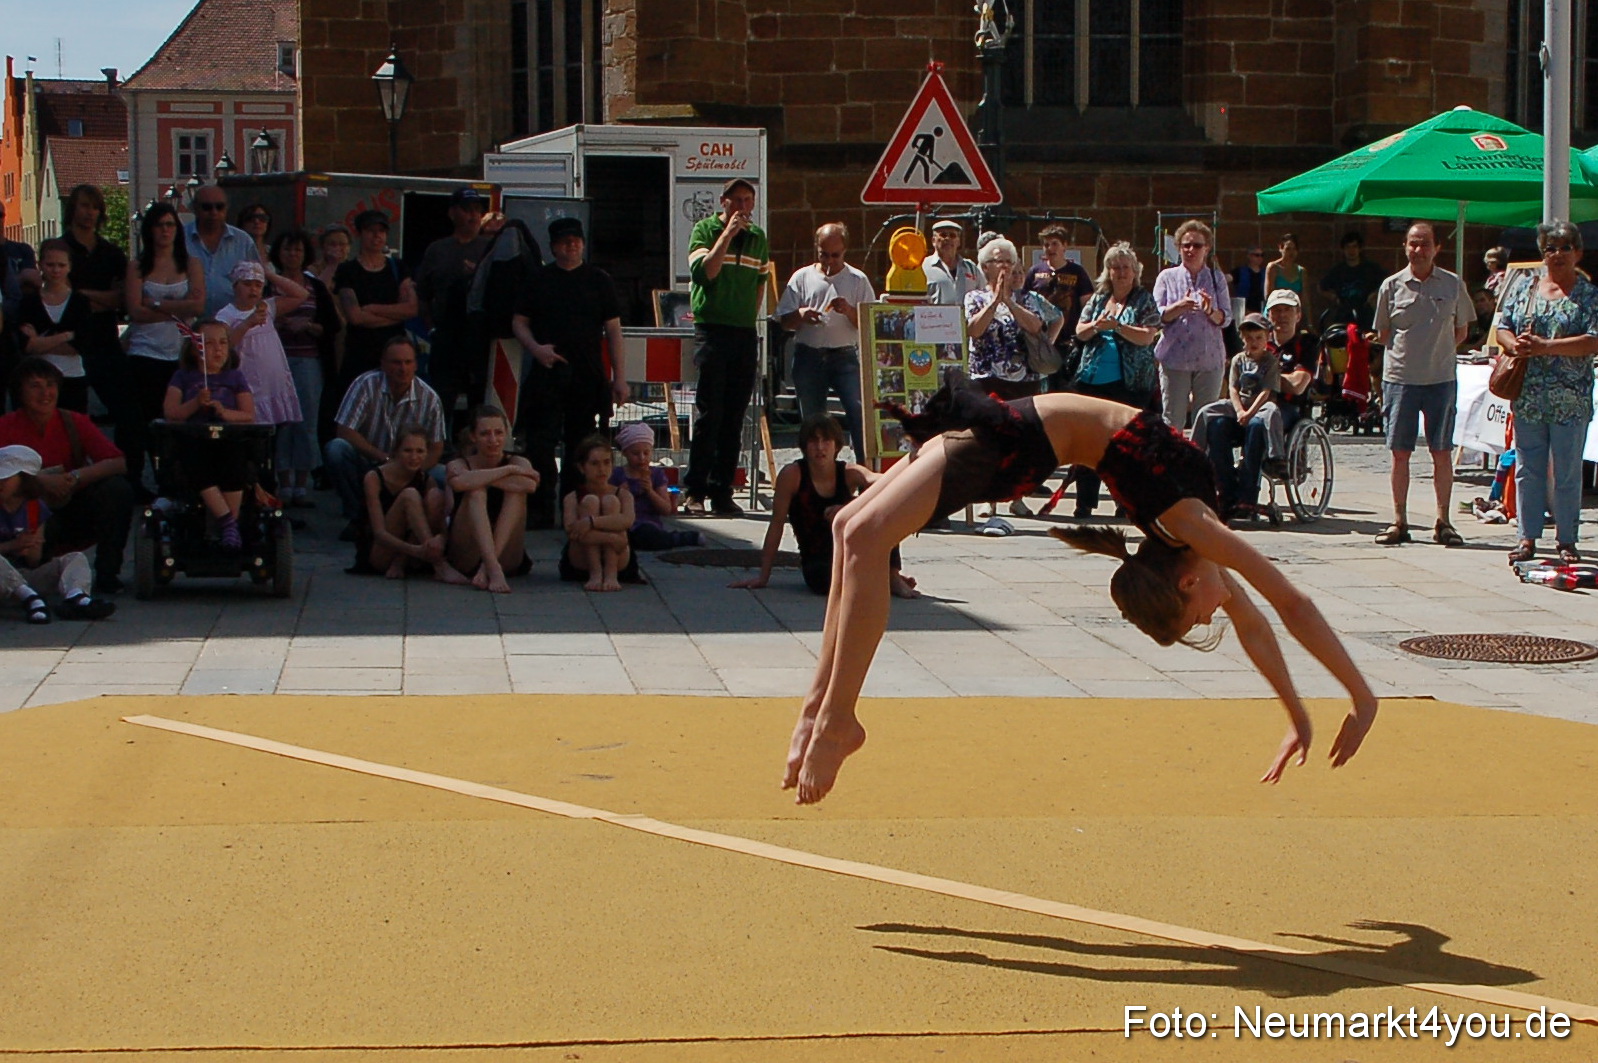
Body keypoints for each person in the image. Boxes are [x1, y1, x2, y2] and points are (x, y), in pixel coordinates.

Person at [781, 373, 1379, 804]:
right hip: (1023, 435)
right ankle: (829, 715)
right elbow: (1288, 604)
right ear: (1190, 582)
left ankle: (827, 715)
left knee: (859, 535)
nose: (1215, 614)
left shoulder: (1188, 541)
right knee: (849, 529)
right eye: (1201, 618)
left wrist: (1297, 714)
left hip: (1026, 435)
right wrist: (1361, 698)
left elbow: (1256, 625)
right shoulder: (1194, 528)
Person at [1493, 221, 1598, 564]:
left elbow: (1592, 341)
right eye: (1550, 248)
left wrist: (1545, 346)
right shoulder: (1526, 288)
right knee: (1528, 468)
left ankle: (1566, 539)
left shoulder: (1588, 295)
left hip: (1571, 398)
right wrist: (1517, 346)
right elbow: (1503, 328)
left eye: (1564, 248)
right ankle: (1526, 536)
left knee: (1567, 470)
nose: (1556, 255)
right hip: (1530, 396)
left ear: (1577, 253)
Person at [511, 216, 626, 527]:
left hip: (587, 375)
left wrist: (620, 378)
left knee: (581, 445)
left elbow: (613, 331)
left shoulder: (599, 280)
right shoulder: (538, 279)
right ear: (553, 247)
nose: (571, 245)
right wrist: (536, 349)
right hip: (547, 373)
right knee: (540, 444)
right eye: (564, 241)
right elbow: (519, 322)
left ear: (583, 244)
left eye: (576, 240)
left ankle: (575, 508)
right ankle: (540, 509)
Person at [730, 413, 914, 597]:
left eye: (826, 441)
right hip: (819, 562)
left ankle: (890, 575)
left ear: (836, 446)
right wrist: (763, 577)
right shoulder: (792, 475)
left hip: (852, 551)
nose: (820, 448)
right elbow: (776, 525)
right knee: (828, 582)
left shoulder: (849, 472)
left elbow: (885, 482)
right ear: (804, 446)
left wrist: (851, 507)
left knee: (883, 508)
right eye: (813, 441)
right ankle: (878, 577)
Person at [1371, 221, 1474, 547]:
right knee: (1400, 453)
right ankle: (1399, 520)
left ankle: (1443, 520)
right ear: (1405, 247)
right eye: (1413, 244)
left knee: (1441, 452)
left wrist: (1437, 353)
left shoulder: (1453, 285)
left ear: (1436, 248)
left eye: (1424, 244)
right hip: (1400, 379)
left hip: (1440, 379)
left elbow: (1461, 331)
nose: (1418, 250)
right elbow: (1383, 334)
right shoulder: (1391, 286)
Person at [0, 357, 133, 592]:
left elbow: (118, 462)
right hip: (27, 513)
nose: (45, 393)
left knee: (117, 489)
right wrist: (41, 482)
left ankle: (107, 573)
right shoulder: (5, 426)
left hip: (70, 503)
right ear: (19, 392)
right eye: (35, 386)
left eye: (50, 385)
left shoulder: (73, 421)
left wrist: (75, 477)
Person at [683, 177, 771, 517]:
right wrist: (728, 234)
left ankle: (723, 491)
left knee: (735, 416)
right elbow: (707, 272)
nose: (743, 208)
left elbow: (760, 283)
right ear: (724, 202)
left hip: (742, 332)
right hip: (713, 330)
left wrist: (748, 316)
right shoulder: (705, 231)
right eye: (736, 201)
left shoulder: (758, 238)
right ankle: (695, 490)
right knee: (710, 413)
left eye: (748, 201)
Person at [1065, 241, 1161, 518]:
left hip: (1129, 386)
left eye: (1125, 268)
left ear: (1135, 271)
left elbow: (1147, 336)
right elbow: (1079, 332)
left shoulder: (1144, 299)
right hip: (1092, 381)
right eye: (1115, 267)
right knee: (1087, 443)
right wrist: (1096, 326)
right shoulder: (1098, 298)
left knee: (1125, 446)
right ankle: (1084, 501)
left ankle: (1125, 501)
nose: (1120, 273)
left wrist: (1118, 326)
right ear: (1107, 271)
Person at [123, 203, 207, 488]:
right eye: (159, 225)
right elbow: (135, 312)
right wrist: (178, 309)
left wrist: (157, 304)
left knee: (180, 421)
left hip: (180, 353)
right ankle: (150, 479)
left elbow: (198, 305)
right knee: (149, 421)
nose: (165, 230)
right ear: (150, 229)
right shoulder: (137, 266)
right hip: (145, 352)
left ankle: (178, 480)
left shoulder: (191, 264)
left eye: (170, 224)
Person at [776, 222, 875, 459]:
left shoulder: (857, 279)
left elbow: (871, 324)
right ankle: (814, 475)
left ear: (845, 252)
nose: (829, 261)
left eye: (835, 255)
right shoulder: (801, 277)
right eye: (823, 254)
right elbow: (783, 321)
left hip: (845, 356)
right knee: (812, 421)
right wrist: (800, 315)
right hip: (808, 355)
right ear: (816, 249)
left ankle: (864, 472)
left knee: (860, 414)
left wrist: (850, 311)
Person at [161, 319, 256, 550]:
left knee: (236, 460)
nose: (218, 349)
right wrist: (195, 403)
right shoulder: (183, 377)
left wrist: (224, 412)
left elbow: (248, 414)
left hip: (228, 440)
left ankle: (230, 525)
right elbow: (170, 412)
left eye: (223, 343)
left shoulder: (235, 378)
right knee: (194, 460)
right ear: (195, 349)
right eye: (209, 344)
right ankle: (227, 523)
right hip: (194, 440)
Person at [61, 184, 136, 465]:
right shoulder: (62, 249)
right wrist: (96, 298)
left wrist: (83, 295)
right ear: (73, 209)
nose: (89, 212)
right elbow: (64, 299)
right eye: (84, 205)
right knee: (72, 417)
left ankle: (127, 470)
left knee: (127, 410)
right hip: (72, 342)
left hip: (105, 340)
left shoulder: (111, 253)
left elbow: (121, 300)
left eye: (94, 207)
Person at [0, 444, 116, 623]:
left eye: (5, 479)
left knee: (75, 558)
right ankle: (30, 599)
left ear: (23, 480)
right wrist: (11, 546)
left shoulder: (34, 507)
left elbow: (34, 561)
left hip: (22, 575)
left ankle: (76, 597)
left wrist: (29, 547)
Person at [1191, 314, 1286, 522]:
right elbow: (1233, 389)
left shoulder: (1270, 362)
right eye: (1249, 338)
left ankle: (1253, 487)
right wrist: (1240, 411)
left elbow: (1266, 392)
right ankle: (1221, 485)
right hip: (1239, 407)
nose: (1253, 342)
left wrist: (1249, 413)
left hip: (1259, 408)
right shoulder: (1237, 360)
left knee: (1261, 421)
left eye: (1258, 338)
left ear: (1267, 338)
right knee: (1212, 419)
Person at [215, 261, 306, 479]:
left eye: (258, 285)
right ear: (236, 286)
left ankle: (269, 488)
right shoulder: (226, 315)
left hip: (272, 386)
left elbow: (300, 294)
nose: (253, 289)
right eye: (247, 284)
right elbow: (225, 346)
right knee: (249, 445)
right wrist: (247, 324)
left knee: (270, 446)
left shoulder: (268, 307)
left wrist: (269, 275)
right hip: (250, 388)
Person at [270, 229, 341, 506]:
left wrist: (309, 326)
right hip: (277, 362)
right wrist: (278, 324)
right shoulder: (269, 285)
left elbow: (332, 325)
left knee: (305, 422)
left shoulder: (315, 286)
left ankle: (302, 483)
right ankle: (282, 482)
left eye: (298, 250)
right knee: (281, 423)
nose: (292, 255)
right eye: (288, 249)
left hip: (309, 361)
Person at [415, 187, 491, 433]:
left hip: (479, 341)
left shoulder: (490, 249)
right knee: (440, 403)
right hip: (446, 340)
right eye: (467, 210)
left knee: (479, 405)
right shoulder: (437, 250)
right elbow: (423, 295)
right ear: (453, 213)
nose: (473, 216)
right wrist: (432, 328)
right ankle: (440, 451)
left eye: (478, 211)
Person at [355, 427, 467, 583]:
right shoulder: (374, 478)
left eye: (420, 451)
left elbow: (440, 523)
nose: (414, 457)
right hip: (380, 550)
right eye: (407, 451)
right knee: (410, 495)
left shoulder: (426, 479)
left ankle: (403, 562)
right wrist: (417, 551)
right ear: (396, 451)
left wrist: (440, 538)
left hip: (410, 555)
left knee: (435, 496)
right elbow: (379, 533)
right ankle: (439, 564)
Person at [446, 405, 537, 593]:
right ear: (473, 436)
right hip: (467, 552)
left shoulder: (519, 461)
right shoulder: (459, 463)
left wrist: (478, 477)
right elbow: (460, 484)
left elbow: (529, 485)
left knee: (515, 493)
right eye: (485, 434)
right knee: (476, 492)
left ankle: (489, 566)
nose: (493, 440)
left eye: (498, 433)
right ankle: (492, 568)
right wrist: (508, 471)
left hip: (507, 554)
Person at [1154, 220, 1231, 428]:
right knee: (1172, 420)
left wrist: (1209, 311)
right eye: (1185, 245)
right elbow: (1155, 316)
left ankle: (1200, 460)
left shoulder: (1217, 278)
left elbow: (1226, 318)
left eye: (1197, 245)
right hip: (1175, 359)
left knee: (1206, 420)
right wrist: (1179, 307)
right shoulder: (1166, 277)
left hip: (1209, 360)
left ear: (1206, 249)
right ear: (1178, 248)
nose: (1190, 250)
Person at [334, 209, 417, 396]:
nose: (376, 236)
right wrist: (396, 314)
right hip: (359, 355)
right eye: (371, 230)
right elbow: (355, 317)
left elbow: (411, 308)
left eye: (381, 231)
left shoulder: (398, 267)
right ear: (360, 233)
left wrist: (373, 309)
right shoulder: (347, 270)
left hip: (394, 355)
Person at [965, 236, 1058, 402]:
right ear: (986, 267)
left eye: (1010, 262)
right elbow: (974, 330)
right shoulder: (975, 298)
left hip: (1024, 381)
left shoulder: (1026, 298)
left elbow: (1035, 327)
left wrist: (1009, 301)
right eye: (999, 261)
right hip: (986, 379)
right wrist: (995, 301)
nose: (1005, 266)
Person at [18, 240, 94, 413]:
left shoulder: (80, 302)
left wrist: (40, 340)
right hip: (38, 381)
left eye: (61, 265)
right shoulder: (29, 302)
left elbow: (81, 345)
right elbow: (28, 346)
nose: (56, 270)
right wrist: (66, 336)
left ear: (69, 267)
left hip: (73, 378)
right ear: (41, 265)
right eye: (50, 264)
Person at [559, 434, 642, 591]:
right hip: (582, 559)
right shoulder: (572, 497)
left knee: (611, 502)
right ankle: (595, 573)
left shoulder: (623, 494)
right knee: (590, 501)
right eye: (595, 464)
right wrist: (611, 538)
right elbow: (573, 531)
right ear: (582, 467)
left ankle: (611, 573)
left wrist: (591, 522)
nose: (602, 469)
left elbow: (627, 520)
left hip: (618, 560)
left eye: (606, 462)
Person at [609, 421, 700, 551]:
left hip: (647, 524)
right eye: (635, 454)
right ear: (624, 453)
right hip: (622, 523)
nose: (642, 458)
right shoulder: (617, 475)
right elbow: (607, 504)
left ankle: (677, 538)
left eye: (646, 453)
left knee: (647, 536)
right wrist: (619, 495)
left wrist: (650, 491)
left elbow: (666, 509)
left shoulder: (656, 475)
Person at [184, 185, 262, 319]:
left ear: (226, 208)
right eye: (207, 207)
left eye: (219, 207)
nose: (214, 212)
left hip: (234, 324)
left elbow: (258, 280)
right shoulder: (180, 238)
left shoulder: (243, 241)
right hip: (187, 324)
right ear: (195, 209)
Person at [1025, 224, 1095, 341]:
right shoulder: (1034, 271)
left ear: (1065, 246)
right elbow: (1025, 302)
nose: (1050, 248)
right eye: (1046, 245)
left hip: (1069, 340)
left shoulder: (1077, 271)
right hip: (1040, 339)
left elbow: (1087, 306)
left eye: (1054, 244)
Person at [1266, 288, 1315, 431]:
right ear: (1268, 315)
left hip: (1288, 407)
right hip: (1254, 404)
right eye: (1276, 310)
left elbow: (1297, 385)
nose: (1282, 315)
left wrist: (1262, 378)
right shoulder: (1259, 342)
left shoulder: (1307, 344)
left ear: (1298, 315)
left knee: (1266, 420)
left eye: (1287, 310)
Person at [1318, 231, 1385, 331]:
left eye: (1354, 247)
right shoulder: (1338, 270)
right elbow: (1321, 287)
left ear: (1359, 249)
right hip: (1343, 314)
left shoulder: (1370, 268)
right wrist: (1333, 297)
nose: (1351, 251)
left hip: (1365, 314)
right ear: (1343, 250)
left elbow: (1385, 282)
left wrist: (1374, 295)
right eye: (1348, 247)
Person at [923, 219, 982, 307]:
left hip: (966, 320)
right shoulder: (924, 267)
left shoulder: (971, 268)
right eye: (943, 235)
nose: (948, 238)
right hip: (935, 319)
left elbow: (983, 294)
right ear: (933, 241)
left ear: (958, 242)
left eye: (952, 235)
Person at [1263, 232, 1309, 320]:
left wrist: (1309, 323)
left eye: (1294, 249)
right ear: (1281, 248)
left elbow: (1305, 301)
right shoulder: (1273, 268)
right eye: (1288, 249)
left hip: (1292, 315)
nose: (1291, 253)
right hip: (1275, 312)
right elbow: (1268, 295)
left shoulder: (1301, 271)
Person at [1231, 245, 1267, 315]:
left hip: (1262, 311)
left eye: (1262, 255)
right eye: (1257, 255)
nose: (1260, 258)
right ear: (1249, 256)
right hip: (1244, 311)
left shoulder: (1266, 272)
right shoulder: (1240, 271)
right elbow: (1224, 280)